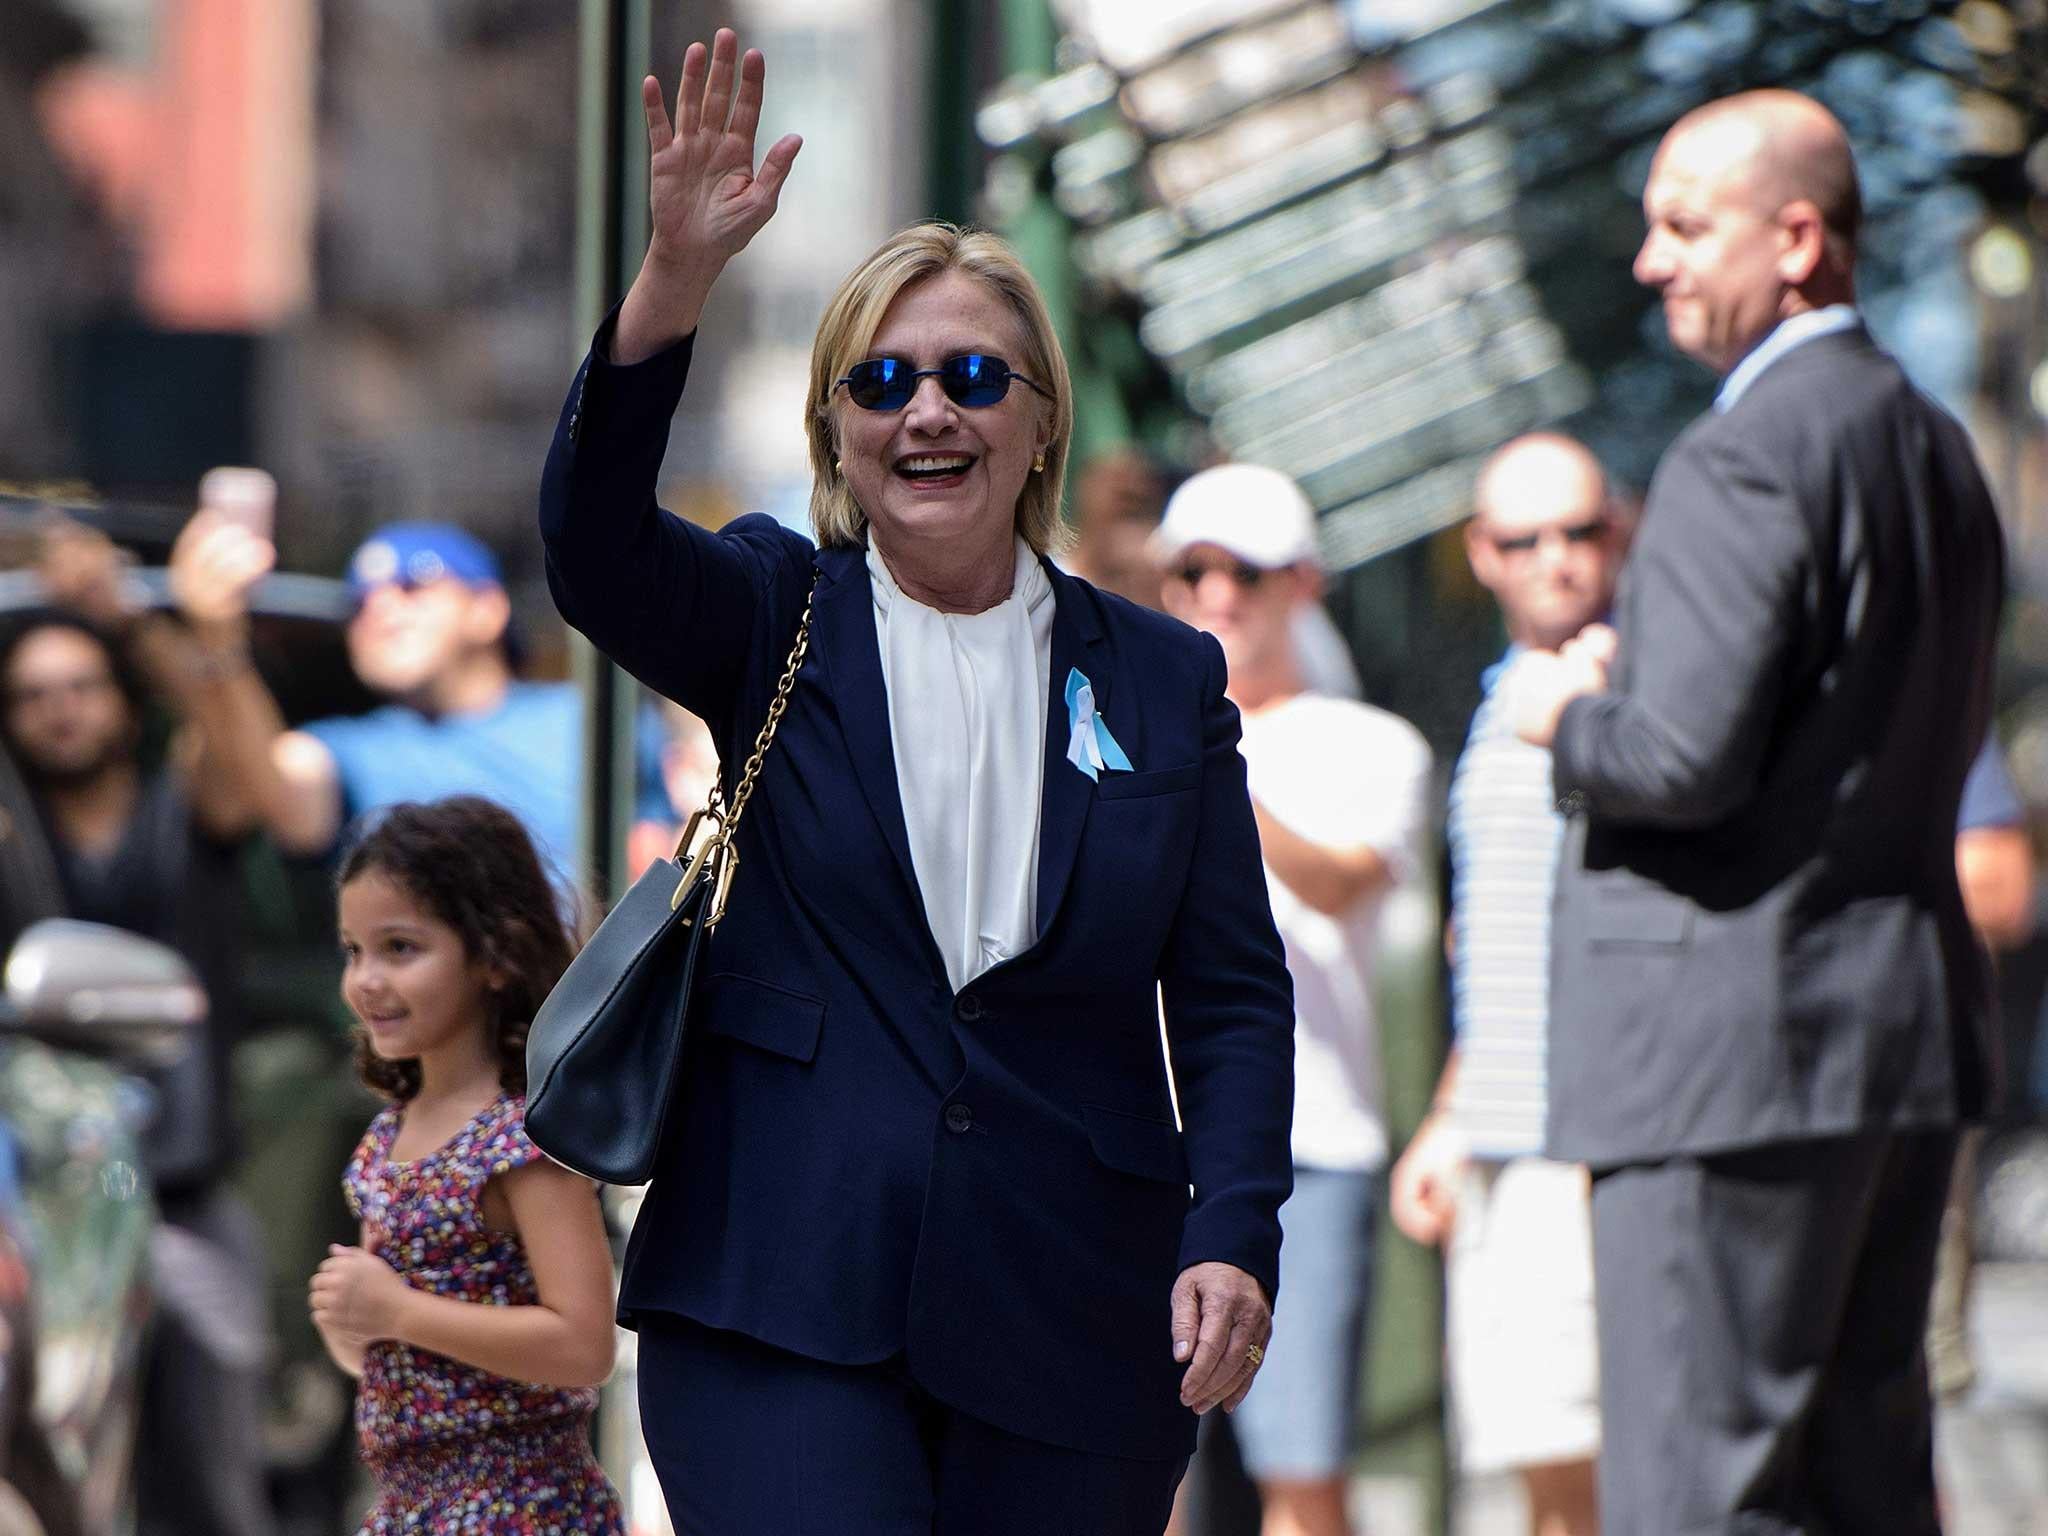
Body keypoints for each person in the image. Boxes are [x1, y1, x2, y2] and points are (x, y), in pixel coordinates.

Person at [538, 29, 1296, 1533]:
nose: (925, 411)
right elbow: (591, 543)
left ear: (1039, 427)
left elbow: (1226, 994)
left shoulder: (1163, 677)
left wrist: (1234, 1231)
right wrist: (671, 288)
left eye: (969, 377)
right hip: (780, 1293)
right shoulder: (770, 611)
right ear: (838, 427)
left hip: (1075, 1313)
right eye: (881, 380)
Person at [1508, 91, 2005, 1534]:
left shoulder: (1743, 453)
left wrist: (1566, 714)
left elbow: (1676, 758)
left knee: (1698, 1495)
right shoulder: (1932, 451)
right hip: (1887, 1048)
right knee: (1862, 1485)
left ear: (1796, 238)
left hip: (1722, 1068)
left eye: (1683, 225)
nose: (1652, 260)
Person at [1154, 463, 1430, 1536]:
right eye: (1192, 571)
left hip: (1306, 1149)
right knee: (1132, 1471)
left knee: (1300, 1476)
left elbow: (1340, 881)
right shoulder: (1125, 725)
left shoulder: (1372, 746)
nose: (1217, 593)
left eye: (1245, 572)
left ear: (1302, 583)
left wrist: (1205, 762)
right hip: (1146, 1139)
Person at [4, 522, 274, 1536]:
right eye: (31, 694)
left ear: (123, 699)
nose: (59, 710)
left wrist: (144, 623)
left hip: (180, 1195)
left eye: (81, 684)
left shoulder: (182, 806)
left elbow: (239, 761)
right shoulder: (10, 830)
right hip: (33, 1207)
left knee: (212, 1477)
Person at [1390, 433, 1623, 1536]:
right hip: (1506, 1144)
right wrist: (1451, 1119)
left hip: (1587, 1148)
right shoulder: (1504, 702)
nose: (1556, 561)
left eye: (1579, 531)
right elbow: (1499, 947)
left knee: (1597, 1482)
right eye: (1525, 539)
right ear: (1481, 554)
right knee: (1545, 1484)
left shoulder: (1621, 690)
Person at [313, 796, 623, 1534]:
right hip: (411, 1506)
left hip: (518, 1508)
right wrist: (354, 1328)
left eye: (400, 948)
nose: (366, 980)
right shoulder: (389, 1138)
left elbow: (584, 1344)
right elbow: (405, 1356)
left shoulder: (519, 1140)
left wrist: (395, 1311)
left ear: (492, 954)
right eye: (354, 951)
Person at [162, 508, 668, 882]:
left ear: (486, 609)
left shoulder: (596, 719)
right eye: (359, 602)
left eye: (414, 584)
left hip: (596, 1008)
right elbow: (260, 794)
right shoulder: (352, 750)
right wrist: (217, 636)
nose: (380, 608)